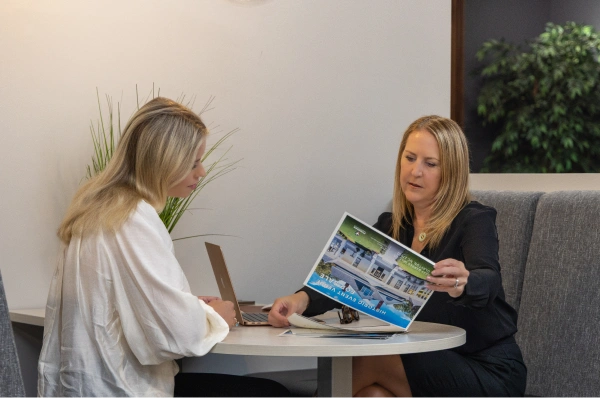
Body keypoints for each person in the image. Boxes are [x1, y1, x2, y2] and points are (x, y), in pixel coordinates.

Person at [38, 97, 289, 398]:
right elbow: (175, 335)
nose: (202, 172)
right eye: (193, 163)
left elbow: (118, 301)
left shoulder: (95, 209)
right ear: (163, 161)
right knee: (270, 393)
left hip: (84, 386)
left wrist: (189, 305)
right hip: (124, 388)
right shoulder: (134, 218)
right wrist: (217, 315)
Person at [269, 115, 527, 397]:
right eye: (410, 158)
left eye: (430, 164)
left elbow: (487, 277)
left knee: (372, 357)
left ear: (451, 172)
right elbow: (344, 279)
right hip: (422, 361)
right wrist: (300, 299)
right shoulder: (391, 227)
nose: (415, 171)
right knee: (373, 396)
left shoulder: (473, 220)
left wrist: (464, 283)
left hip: (486, 370)